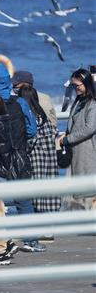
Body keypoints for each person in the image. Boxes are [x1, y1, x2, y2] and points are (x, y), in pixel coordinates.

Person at [0, 94, 43, 255]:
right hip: (10, 165)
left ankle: (0, 250)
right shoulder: (7, 121)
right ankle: (14, 242)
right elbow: (31, 130)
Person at [15, 85, 61, 214]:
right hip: (49, 165)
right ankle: (48, 230)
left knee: (33, 199)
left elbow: (29, 143)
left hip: (33, 165)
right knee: (48, 197)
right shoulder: (45, 120)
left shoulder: (27, 120)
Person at [59, 68, 96, 210]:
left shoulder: (93, 103)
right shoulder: (79, 101)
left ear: (86, 83)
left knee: (89, 189)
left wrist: (68, 139)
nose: (75, 89)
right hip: (77, 151)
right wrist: (66, 134)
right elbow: (73, 122)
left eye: (77, 85)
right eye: (73, 86)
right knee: (81, 188)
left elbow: (90, 128)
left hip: (88, 151)